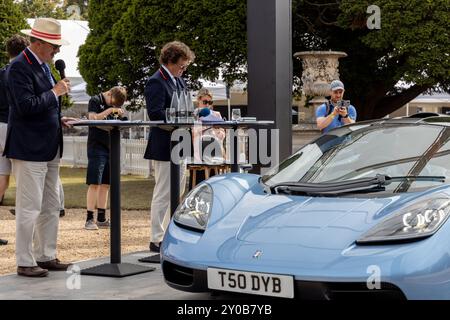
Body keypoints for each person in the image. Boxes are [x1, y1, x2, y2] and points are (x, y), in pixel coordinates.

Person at [4, 18, 76, 277]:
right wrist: (56, 92)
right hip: (28, 148)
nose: (56, 51)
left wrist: (59, 118)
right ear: (37, 42)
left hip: (49, 145)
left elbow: (42, 105)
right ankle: (25, 261)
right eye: (53, 46)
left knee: (50, 204)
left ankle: (46, 255)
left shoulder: (44, 66)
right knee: (29, 206)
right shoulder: (18, 67)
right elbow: (25, 106)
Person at [144, 41, 195, 253]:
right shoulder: (156, 81)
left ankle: (170, 232)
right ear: (170, 61)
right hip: (165, 142)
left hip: (181, 141)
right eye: (182, 65)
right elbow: (155, 113)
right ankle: (156, 237)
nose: (183, 70)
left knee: (179, 191)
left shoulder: (179, 81)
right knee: (164, 192)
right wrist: (178, 117)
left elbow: (185, 106)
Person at [0, 35, 29, 246]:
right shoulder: (19, 72)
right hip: (11, 126)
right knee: (23, 175)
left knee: (2, 177)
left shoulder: (1, 72)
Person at [85, 86, 127, 230]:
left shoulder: (114, 105)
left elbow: (123, 121)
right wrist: (109, 110)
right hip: (96, 146)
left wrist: (120, 114)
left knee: (106, 184)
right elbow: (92, 118)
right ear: (109, 94)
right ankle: (89, 218)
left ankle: (101, 217)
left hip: (111, 146)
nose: (112, 106)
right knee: (94, 183)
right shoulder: (95, 100)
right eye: (112, 103)